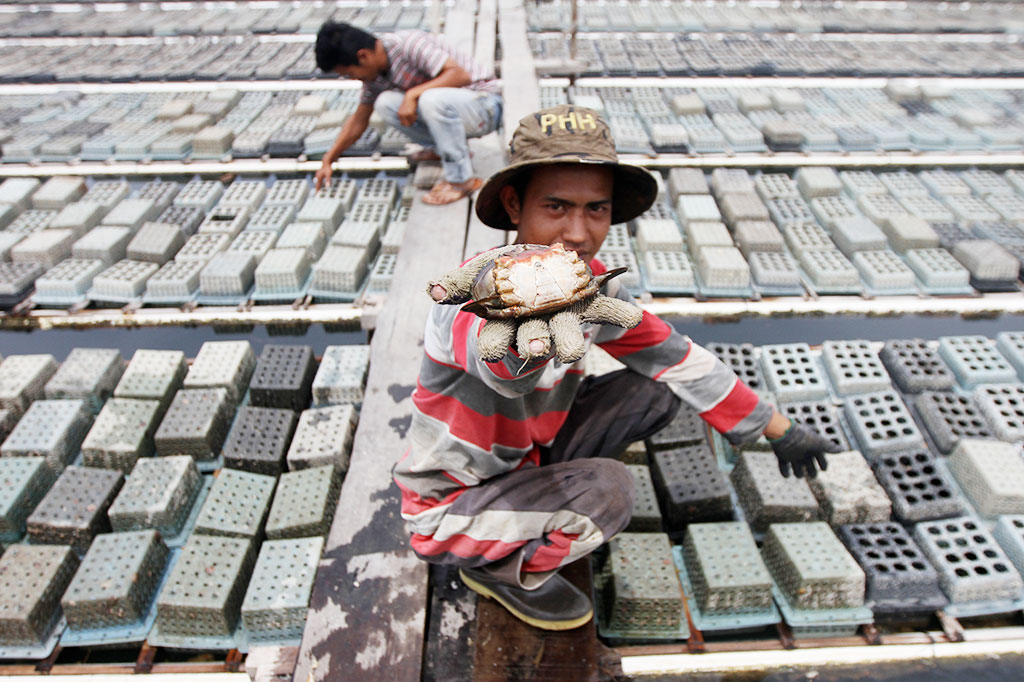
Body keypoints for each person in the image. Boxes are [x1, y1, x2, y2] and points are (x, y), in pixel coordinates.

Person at [394, 105, 836, 631]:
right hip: (453, 502)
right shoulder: (473, 294)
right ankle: (503, 571)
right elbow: (504, 370)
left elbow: (674, 355)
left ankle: (536, 497)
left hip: (523, 455)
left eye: (595, 210)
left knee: (659, 389)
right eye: (556, 207)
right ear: (514, 205)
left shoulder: (595, 284)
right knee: (608, 492)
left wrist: (777, 429)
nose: (577, 232)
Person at [313, 22, 502, 205]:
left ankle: (461, 181)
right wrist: (329, 159)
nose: (353, 78)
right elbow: (358, 121)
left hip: (485, 106)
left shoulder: (408, 44)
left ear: (363, 56)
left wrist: (412, 95)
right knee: (385, 103)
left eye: (349, 73)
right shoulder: (375, 78)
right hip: (456, 113)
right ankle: (442, 149)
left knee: (430, 99)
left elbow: (460, 75)